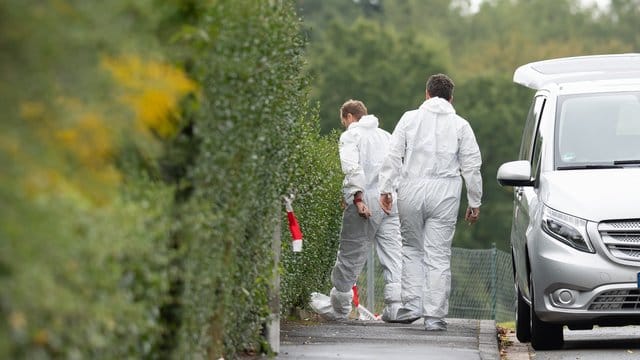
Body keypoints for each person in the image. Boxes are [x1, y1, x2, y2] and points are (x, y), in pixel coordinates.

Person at [378, 74, 482, 331]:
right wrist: (474, 200)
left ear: (426, 94)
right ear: (451, 98)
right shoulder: (461, 125)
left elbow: (393, 155)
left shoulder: (409, 118)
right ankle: (434, 316)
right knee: (438, 254)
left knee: (412, 248)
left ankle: (412, 304)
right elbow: (471, 165)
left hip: (411, 186)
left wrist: (385, 188)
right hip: (445, 190)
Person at [311, 99, 403, 322]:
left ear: (349, 117)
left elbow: (352, 167)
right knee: (394, 253)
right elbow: (397, 166)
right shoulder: (386, 136)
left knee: (350, 254)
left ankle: (340, 308)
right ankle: (397, 308)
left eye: (344, 121)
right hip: (390, 199)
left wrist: (357, 197)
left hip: (366, 198)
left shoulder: (351, 135)